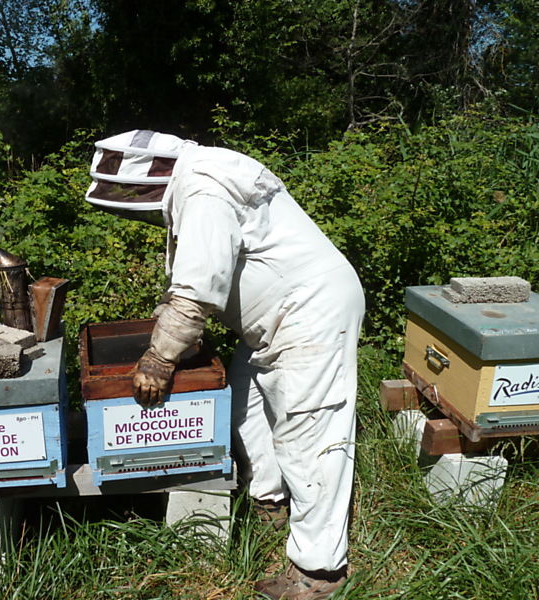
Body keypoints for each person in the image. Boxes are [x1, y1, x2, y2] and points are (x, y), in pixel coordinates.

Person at [84, 130, 365, 600]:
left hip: (309, 314)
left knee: (308, 434)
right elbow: (196, 277)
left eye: (134, 191)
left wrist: (159, 355)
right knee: (247, 410)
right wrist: (166, 328)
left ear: (152, 171)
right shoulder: (199, 177)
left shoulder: (203, 188)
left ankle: (320, 572)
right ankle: (271, 503)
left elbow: (197, 287)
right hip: (272, 321)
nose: (135, 202)